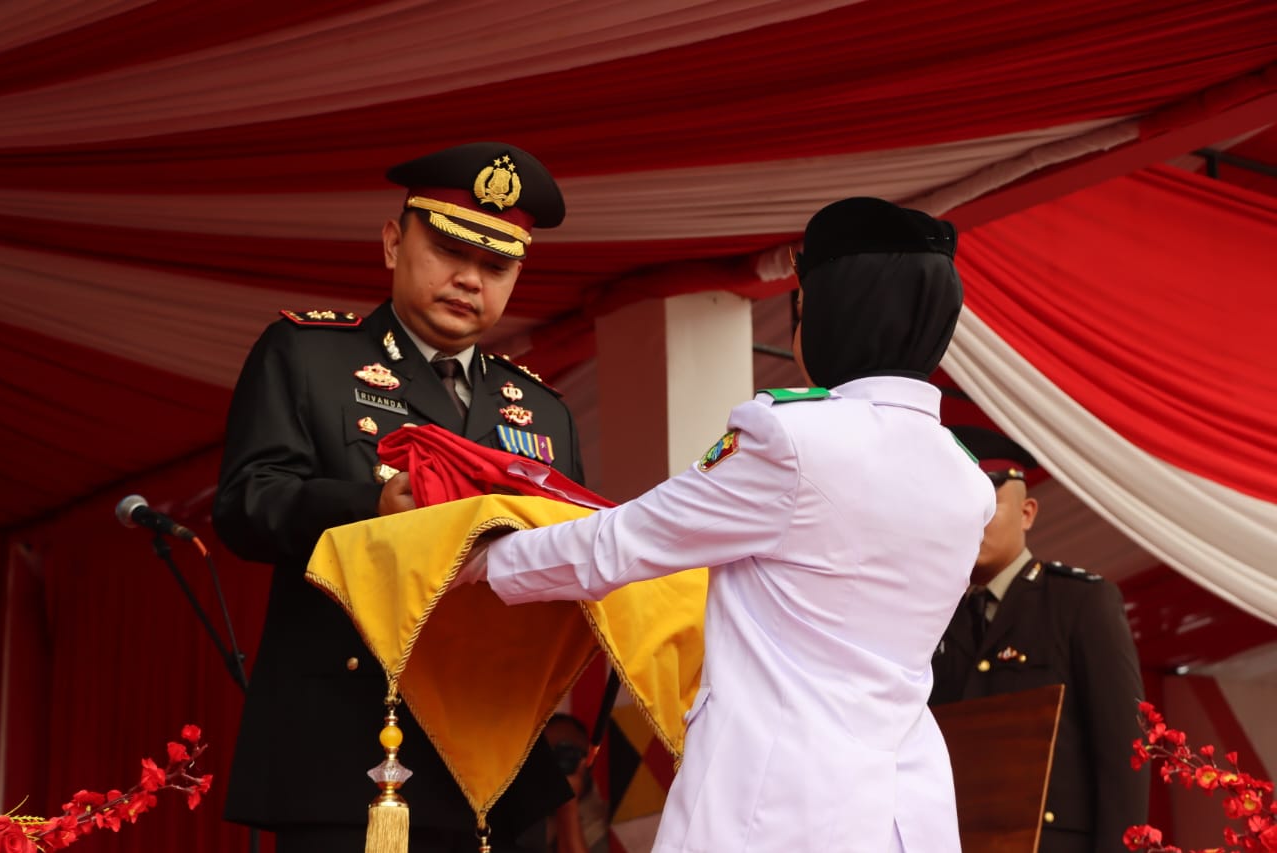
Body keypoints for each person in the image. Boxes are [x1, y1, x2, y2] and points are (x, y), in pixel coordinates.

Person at [461, 197, 996, 852]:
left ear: (836, 313)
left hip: (780, 805)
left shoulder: (792, 439)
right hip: (905, 809)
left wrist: (485, 555)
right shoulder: (966, 478)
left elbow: (625, 541)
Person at [212, 141, 586, 853]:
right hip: (350, 747)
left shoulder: (542, 411)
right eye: (449, 250)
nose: (469, 279)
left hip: (495, 756)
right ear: (392, 243)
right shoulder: (308, 356)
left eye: (496, 265)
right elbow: (246, 504)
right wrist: (371, 505)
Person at [929, 426, 1149, 853]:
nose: (974, 520)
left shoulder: (1080, 601)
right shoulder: (934, 618)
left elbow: (1123, 754)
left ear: (1028, 512)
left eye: (989, 504)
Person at [541, 713, 609, 853]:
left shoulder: (610, 821)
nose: (558, 765)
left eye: (566, 752)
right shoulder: (522, 823)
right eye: (549, 755)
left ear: (587, 761)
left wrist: (568, 803)